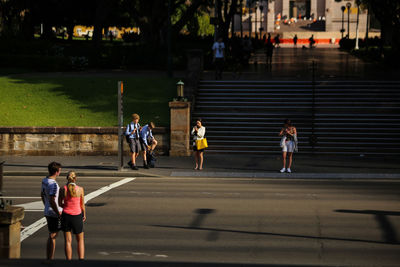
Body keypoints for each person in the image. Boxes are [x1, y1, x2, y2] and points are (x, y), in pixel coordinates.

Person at [58, 171, 86, 260]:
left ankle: (68, 261)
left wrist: (66, 206)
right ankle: (81, 260)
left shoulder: (62, 189)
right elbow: (82, 205)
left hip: (66, 216)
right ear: (75, 178)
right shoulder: (80, 189)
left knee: (68, 241)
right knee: (80, 240)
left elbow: (59, 203)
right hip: (77, 216)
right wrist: (84, 214)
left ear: (67, 178)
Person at [41, 161, 63, 260]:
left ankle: (49, 257)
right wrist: (58, 213)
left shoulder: (45, 180)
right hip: (53, 212)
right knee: (53, 236)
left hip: (47, 211)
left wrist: (46, 205)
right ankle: (50, 258)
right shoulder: (53, 184)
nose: (60, 172)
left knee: (52, 234)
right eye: (59, 170)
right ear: (56, 172)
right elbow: (52, 200)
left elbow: (42, 195)